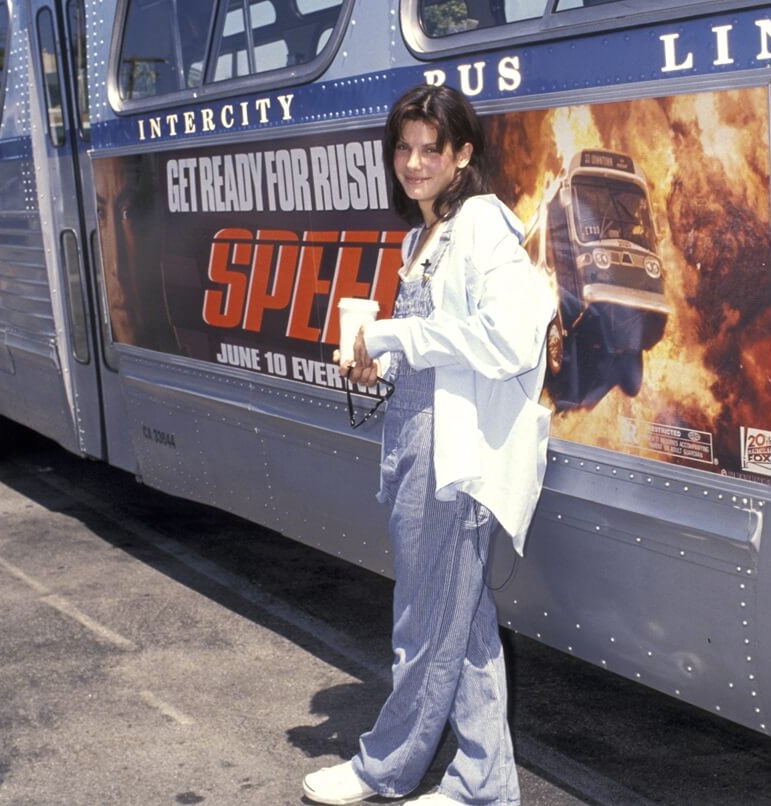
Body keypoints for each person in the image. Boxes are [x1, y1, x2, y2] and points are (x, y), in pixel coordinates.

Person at [302, 84, 556, 805]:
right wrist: (375, 359)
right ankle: (484, 781)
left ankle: (385, 766)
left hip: (456, 460)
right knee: (463, 626)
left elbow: (508, 339)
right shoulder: (419, 239)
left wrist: (391, 334)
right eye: (404, 148)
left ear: (461, 156)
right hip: (415, 445)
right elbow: (436, 351)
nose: (414, 163)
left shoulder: (481, 225)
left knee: (423, 624)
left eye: (430, 149)